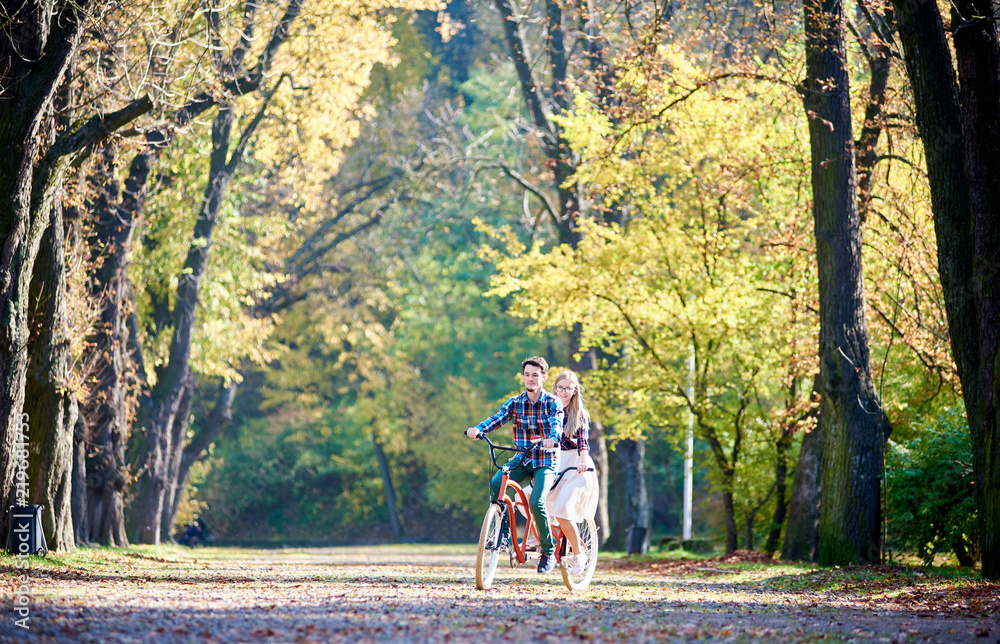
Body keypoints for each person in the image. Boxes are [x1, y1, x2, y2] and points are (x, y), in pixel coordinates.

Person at [466, 356, 563, 573]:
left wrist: (552, 439)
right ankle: (503, 534)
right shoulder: (515, 402)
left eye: (535, 375)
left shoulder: (552, 403)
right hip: (522, 458)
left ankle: (548, 551)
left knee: (537, 502)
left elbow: (556, 426)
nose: (530, 379)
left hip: (545, 460)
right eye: (527, 375)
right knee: (497, 482)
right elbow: (497, 418)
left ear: (544, 378)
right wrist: (479, 429)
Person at [548, 370, 599, 576]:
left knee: (562, 509)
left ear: (575, 390)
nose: (564, 391)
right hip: (553, 461)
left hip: (575, 463)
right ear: (554, 388)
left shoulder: (579, 414)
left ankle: (579, 554)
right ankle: (547, 540)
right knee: (528, 496)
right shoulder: (548, 410)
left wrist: (584, 461)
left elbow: (583, 442)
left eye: (568, 388)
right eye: (560, 387)